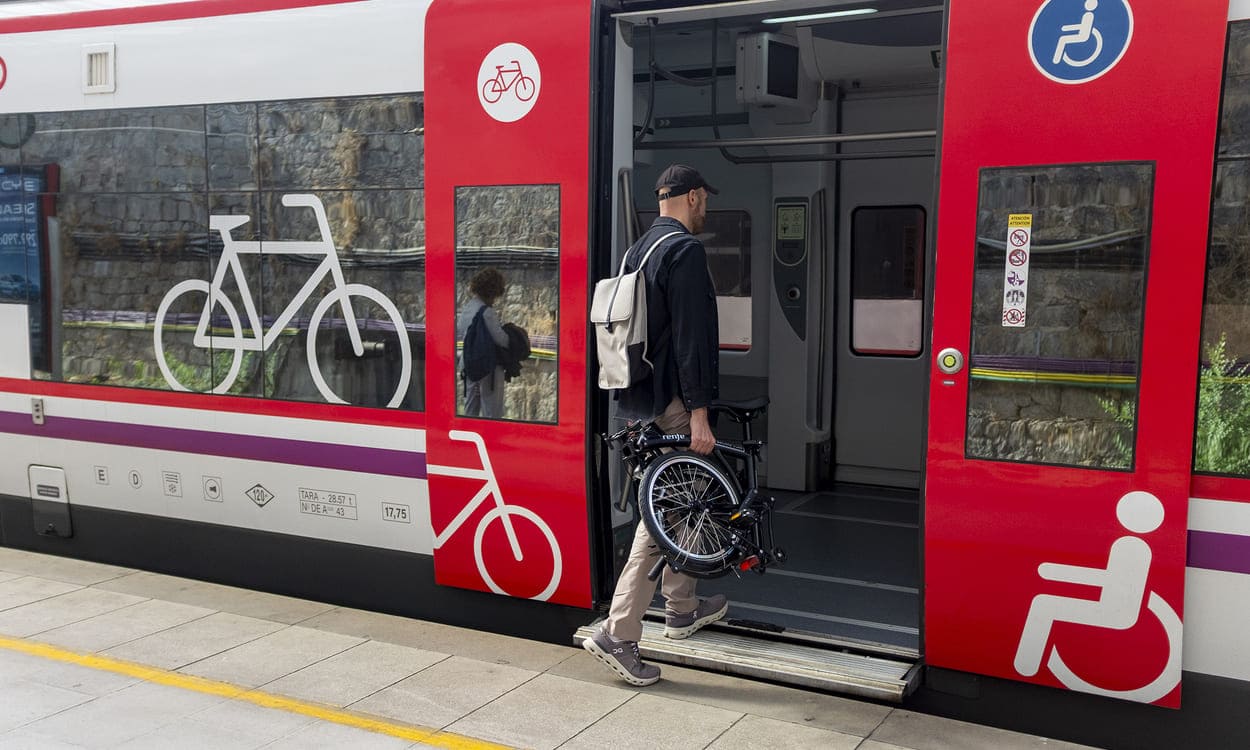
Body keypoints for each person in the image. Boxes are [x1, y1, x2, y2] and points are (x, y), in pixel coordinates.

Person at [583, 164, 727, 686]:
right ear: (692, 197)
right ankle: (619, 633)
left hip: (636, 400)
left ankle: (683, 605)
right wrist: (700, 413)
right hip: (671, 401)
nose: (705, 206)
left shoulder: (636, 250)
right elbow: (691, 340)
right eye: (704, 198)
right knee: (664, 512)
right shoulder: (684, 251)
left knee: (681, 500)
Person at [456, 267, 510, 418]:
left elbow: (460, 330)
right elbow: (502, 340)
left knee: (470, 409)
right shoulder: (486, 312)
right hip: (489, 368)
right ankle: (490, 439)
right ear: (493, 291)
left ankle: (468, 436)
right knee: (491, 411)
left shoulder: (468, 308)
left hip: (470, 366)